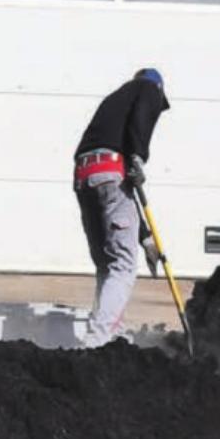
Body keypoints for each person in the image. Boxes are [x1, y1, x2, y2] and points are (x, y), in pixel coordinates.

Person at [72, 68, 170, 345]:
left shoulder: (114, 102)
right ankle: (98, 340)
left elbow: (121, 196)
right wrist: (138, 157)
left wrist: (145, 237)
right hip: (111, 173)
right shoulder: (148, 88)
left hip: (85, 176)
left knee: (107, 264)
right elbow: (120, 187)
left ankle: (110, 333)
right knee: (124, 265)